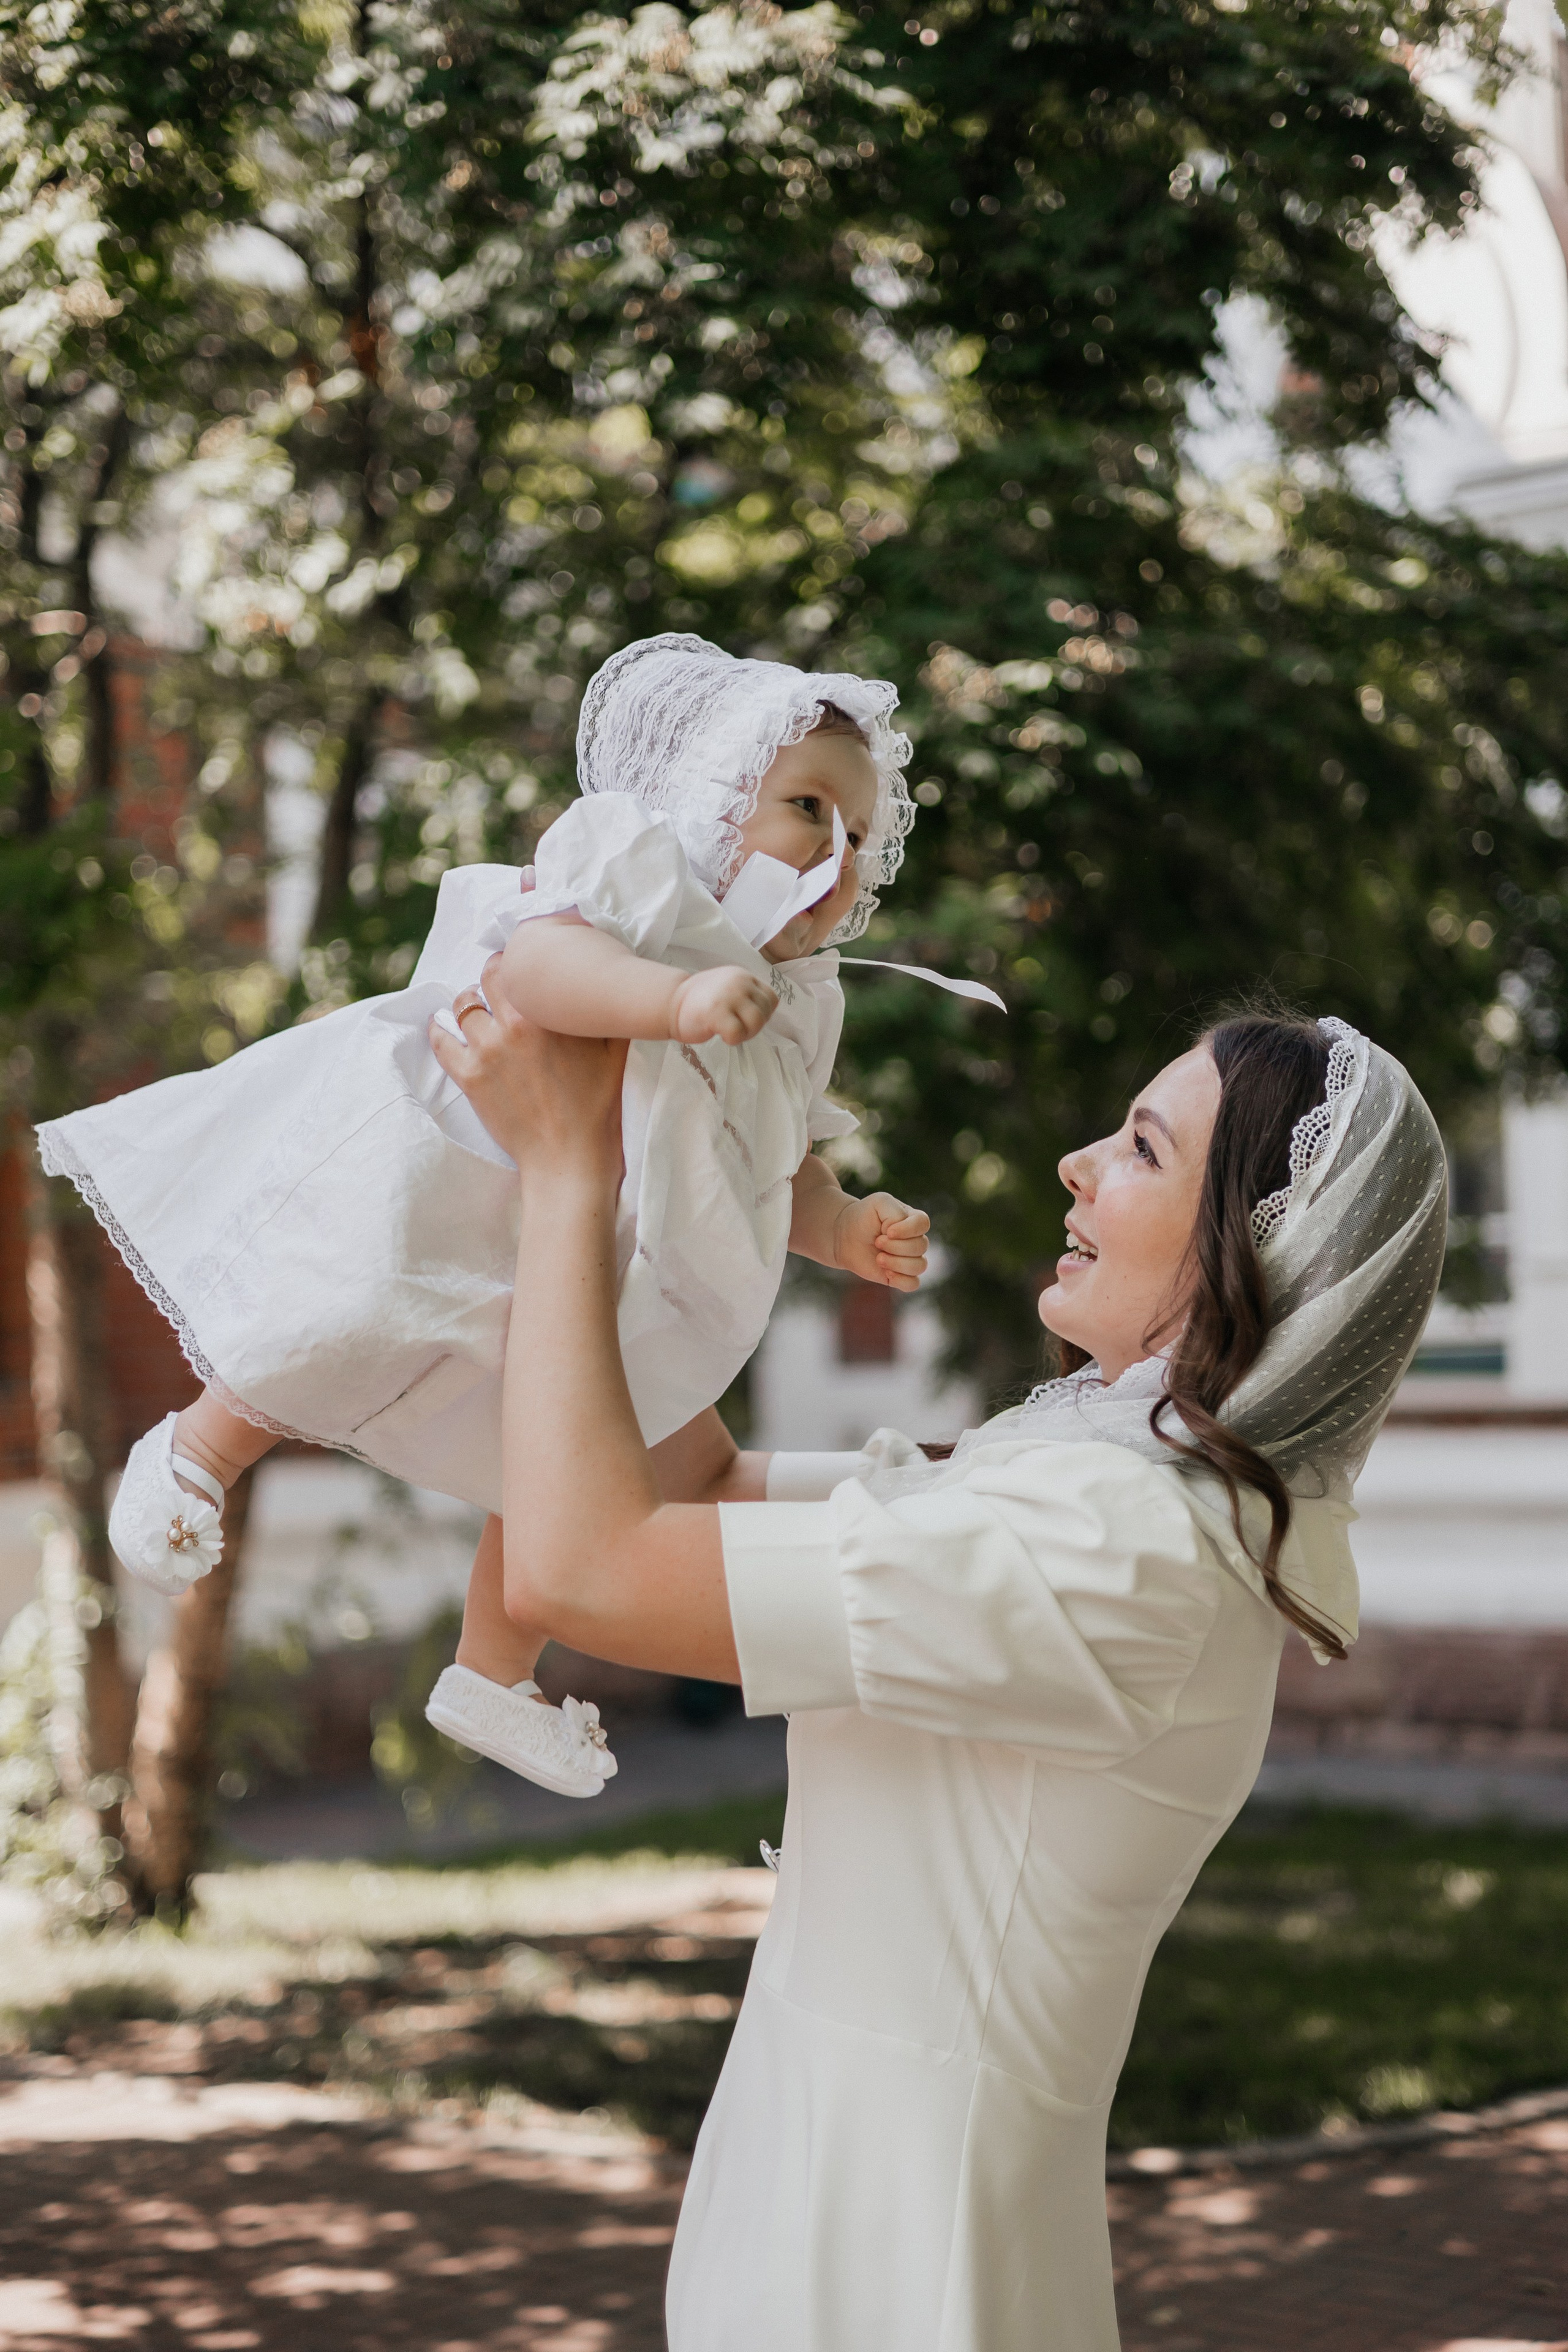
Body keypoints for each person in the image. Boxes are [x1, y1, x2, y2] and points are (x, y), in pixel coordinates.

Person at [424, 984, 1447, 2351]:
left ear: (1254, 1254)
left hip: (898, 2270)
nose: (1076, 1164)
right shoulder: (1094, 1479)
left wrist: (567, 1172)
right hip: (818, 2192)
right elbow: (702, 1481)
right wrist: (665, 1173)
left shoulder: (1121, 1541)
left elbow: (580, 1572)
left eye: (1142, 1150)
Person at [37, 633, 938, 1798]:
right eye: (808, 807)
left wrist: (842, 1223)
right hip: (471, 1177)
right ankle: (200, 1447)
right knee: (347, 1306)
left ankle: (492, 1669)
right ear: (706, 805)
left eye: (861, 836)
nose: (837, 849)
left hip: (606, 1279)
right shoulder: (638, 876)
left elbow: (777, 1164)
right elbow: (533, 972)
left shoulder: (802, 1006)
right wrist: (673, 995)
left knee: (582, 1458)